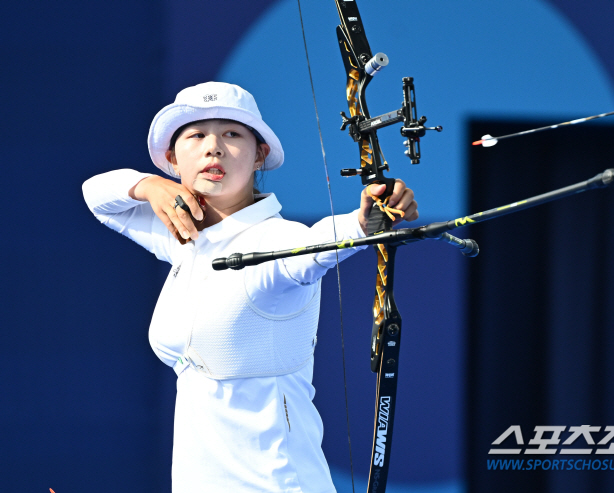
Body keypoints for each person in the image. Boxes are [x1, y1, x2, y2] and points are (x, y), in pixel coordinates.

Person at [82, 81, 418, 492]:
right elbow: (95, 195)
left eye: (232, 134)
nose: (214, 148)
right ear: (171, 158)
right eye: (196, 135)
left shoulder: (274, 240)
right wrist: (149, 186)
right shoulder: (181, 234)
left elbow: (313, 247)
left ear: (260, 154)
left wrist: (362, 224)